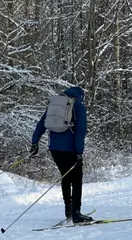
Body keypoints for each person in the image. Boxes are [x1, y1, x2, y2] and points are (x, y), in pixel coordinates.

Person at [30, 86, 93, 224]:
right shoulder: (78, 106)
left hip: (54, 149)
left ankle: (68, 210)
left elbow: (41, 124)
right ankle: (76, 213)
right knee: (76, 179)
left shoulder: (55, 105)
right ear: (81, 96)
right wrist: (79, 152)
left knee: (65, 176)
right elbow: (80, 131)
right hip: (70, 149)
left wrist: (35, 143)